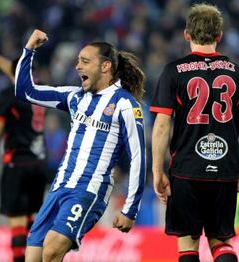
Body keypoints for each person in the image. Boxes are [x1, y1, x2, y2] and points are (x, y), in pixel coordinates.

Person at [14, 29, 146, 262]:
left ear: (105, 67)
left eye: (85, 61)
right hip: (59, 187)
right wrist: (30, 49)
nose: (77, 67)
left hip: (89, 189)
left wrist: (130, 208)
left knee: (53, 249)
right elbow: (25, 91)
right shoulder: (74, 97)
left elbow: (138, 156)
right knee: (33, 256)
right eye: (78, 61)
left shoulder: (125, 104)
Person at [150, 4, 239, 262]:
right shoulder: (237, 72)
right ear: (219, 35)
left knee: (188, 243)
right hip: (225, 169)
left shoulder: (173, 71)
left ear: (186, 34)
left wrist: (157, 170)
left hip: (185, 170)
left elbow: (162, 125)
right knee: (221, 241)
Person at [0, 46, 48, 262]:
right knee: (34, 222)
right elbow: (15, 71)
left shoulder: (9, 95)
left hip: (16, 164)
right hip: (38, 165)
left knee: (17, 222)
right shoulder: (39, 89)